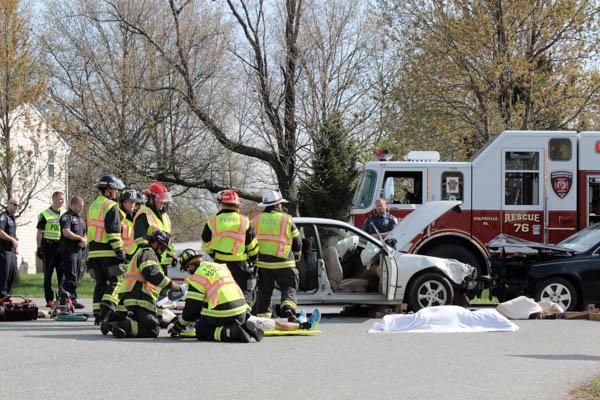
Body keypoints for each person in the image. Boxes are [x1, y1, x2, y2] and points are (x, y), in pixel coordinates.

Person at [168, 249, 262, 343]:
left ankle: (232, 332)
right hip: (241, 310)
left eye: (186, 270)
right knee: (209, 315)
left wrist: (178, 325)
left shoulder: (198, 276)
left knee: (202, 330)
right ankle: (244, 326)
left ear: (189, 267)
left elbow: (192, 310)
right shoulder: (219, 266)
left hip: (227, 312)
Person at [106, 230, 181, 338]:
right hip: (140, 298)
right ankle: (121, 326)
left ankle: (112, 322)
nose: (163, 252)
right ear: (155, 242)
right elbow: (152, 274)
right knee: (153, 330)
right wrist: (171, 285)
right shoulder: (148, 254)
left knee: (148, 321)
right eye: (163, 248)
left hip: (134, 296)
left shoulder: (145, 253)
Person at [201, 189, 259, 305]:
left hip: (220, 264)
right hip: (240, 264)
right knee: (244, 292)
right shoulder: (245, 221)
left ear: (221, 204)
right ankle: (244, 317)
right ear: (237, 205)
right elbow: (251, 245)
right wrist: (254, 259)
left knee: (222, 291)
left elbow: (205, 243)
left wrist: (214, 254)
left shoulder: (213, 221)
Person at [253, 190, 302, 321]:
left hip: (263, 265)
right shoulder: (287, 219)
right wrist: (297, 256)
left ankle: (264, 319)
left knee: (264, 292)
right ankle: (288, 309)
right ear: (278, 205)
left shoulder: (256, 221)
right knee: (289, 287)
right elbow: (298, 241)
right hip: (285, 263)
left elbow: (250, 242)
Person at [87, 174, 126, 324]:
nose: (116, 193)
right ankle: (107, 310)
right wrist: (119, 251)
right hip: (109, 252)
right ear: (108, 190)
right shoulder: (111, 206)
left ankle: (97, 314)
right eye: (115, 190)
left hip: (94, 252)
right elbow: (113, 231)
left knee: (101, 283)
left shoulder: (93, 205)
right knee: (117, 281)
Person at [133, 182, 175, 274]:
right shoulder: (144, 214)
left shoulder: (165, 217)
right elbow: (140, 239)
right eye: (161, 200)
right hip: (148, 262)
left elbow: (168, 240)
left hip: (162, 263)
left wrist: (172, 255)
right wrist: (150, 254)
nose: (163, 203)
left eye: (164, 200)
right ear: (152, 199)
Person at [36, 191, 66, 307]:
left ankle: (62, 299)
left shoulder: (65, 213)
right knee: (48, 275)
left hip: (61, 247)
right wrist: (39, 247)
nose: (62, 201)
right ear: (53, 199)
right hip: (49, 247)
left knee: (62, 274)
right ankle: (49, 300)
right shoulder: (45, 214)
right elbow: (39, 232)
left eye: (63, 199)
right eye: (60, 199)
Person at [58, 196, 86, 309]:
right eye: (79, 206)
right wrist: (80, 239)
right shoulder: (66, 217)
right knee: (70, 275)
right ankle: (66, 299)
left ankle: (72, 299)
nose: (81, 208)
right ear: (73, 205)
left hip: (78, 250)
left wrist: (84, 240)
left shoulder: (80, 218)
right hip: (69, 251)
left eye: (82, 206)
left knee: (76, 275)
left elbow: (85, 233)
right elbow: (66, 232)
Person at [0, 199, 19, 299]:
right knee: (4, 273)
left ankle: (7, 297)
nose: (17, 206)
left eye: (18, 205)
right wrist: (12, 239)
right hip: (4, 250)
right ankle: (2, 297)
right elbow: (0, 232)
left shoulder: (12, 218)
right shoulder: (4, 217)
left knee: (12, 274)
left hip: (11, 251)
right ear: (9, 204)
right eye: (15, 204)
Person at [118, 189, 144, 260]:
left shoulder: (137, 218)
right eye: (130, 202)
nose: (132, 204)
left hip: (134, 255)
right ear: (123, 203)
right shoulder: (119, 217)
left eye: (134, 202)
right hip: (120, 256)